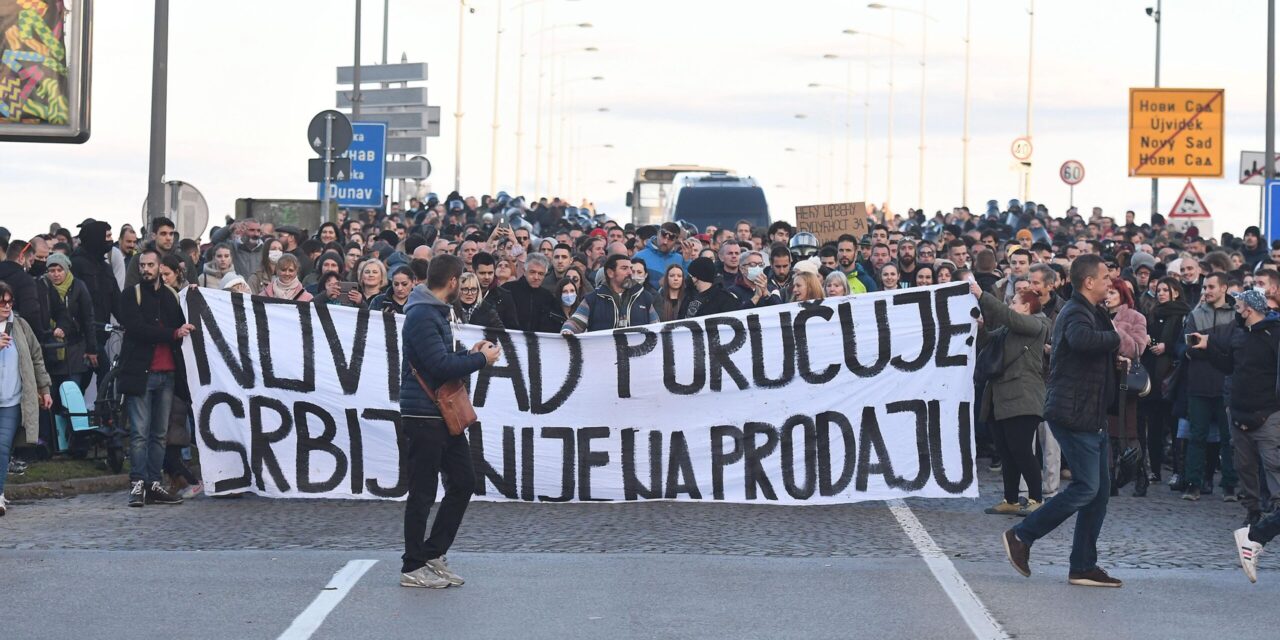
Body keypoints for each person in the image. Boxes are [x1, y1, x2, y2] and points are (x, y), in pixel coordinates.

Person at [1003, 254, 1125, 588]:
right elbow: (1082, 341)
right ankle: (1022, 535)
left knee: (1098, 495)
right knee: (1086, 487)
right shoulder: (1075, 312)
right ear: (1088, 282)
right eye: (1105, 278)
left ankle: (1083, 566)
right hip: (1074, 414)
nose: (1110, 283)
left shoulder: (1095, 312)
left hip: (1091, 413)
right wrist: (1118, 338)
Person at [398, 254, 501, 589]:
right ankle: (413, 565)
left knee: (463, 481)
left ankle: (433, 553)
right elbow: (439, 368)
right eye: (463, 281)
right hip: (424, 415)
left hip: (442, 415)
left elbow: (439, 360)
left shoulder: (435, 313)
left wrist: (469, 354)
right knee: (423, 492)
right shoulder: (423, 315)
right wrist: (479, 359)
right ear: (453, 281)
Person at [1189, 289, 1280, 532]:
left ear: (1249, 310)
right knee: (1244, 466)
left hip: (1268, 411)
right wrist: (1207, 349)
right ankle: (1252, 510)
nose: (1236, 312)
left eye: (1239, 308)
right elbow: (1228, 365)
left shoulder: (1275, 334)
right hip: (1239, 412)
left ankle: (1278, 512)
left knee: (1272, 464)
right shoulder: (1239, 335)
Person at [118, 249, 193, 507]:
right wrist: (172, 333)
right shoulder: (132, 295)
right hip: (141, 373)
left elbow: (184, 325)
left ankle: (153, 483)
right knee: (139, 432)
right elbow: (138, 329)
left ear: (160, 267)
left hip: (167, 373)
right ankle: (137, 483)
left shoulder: (172, 296)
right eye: (143, 265)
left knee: (160, 434)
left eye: (151, 264)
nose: (146, 269)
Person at [975, 282, 1052, 516]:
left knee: (1021, 450)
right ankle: (1010, 499)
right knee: (1007, 451)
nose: (1010, 305)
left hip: (1023, 398)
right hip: (1001, 399)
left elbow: (1007, 316)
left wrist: (982, 294)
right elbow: (988, 341)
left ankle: (1036, 499)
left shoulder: (1037, 324)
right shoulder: (1010, 329)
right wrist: (979, 328)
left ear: (1027, 306)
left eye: (1014, 302)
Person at [1179, 272, 1238, 500]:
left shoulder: (1235, 315)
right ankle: (1193, 483)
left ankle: (1229, 485)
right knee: (1197, 437)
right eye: (1205, 287)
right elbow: (1190, 347)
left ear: (1224, 288)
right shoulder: (1195, 314)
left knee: (1227, 438)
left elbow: (1234, 349)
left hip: (1226, 384)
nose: (1207, 291)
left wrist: (1208, 343)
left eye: (1211, 286)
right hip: (1199, 383)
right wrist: (1217, 347)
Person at [33, 253, 96, 455]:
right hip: (51, 351)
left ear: (66, 270)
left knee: (72, 395)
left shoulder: (78, 287)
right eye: (51, 270)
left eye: (59, 270)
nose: (56, 274)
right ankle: (57, 442)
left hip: (73, 350)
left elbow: (88, 319)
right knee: (53, 398)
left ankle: (77, 442)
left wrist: (91, 348)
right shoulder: (43, 288)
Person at [0, 282, 54, 516]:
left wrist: (44, 388)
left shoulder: (20, 325)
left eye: (9, 301)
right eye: (1, 302)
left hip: (12, 400)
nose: (6, 306)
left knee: (2, 448)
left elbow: (36, 357)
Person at [1140, 277, 1188, 484]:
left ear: (1175, 292)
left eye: (1165, 290)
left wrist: (1166, 347)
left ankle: (1178, 470)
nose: (1160, 294)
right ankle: (1155, 470)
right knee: (1154, 427)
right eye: (1158, 290)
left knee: (1175, 426)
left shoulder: (1183, 315)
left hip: (1172, 377)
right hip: (1152, 375)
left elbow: (1182, 343)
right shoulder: (1151, 314)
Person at [1104, 277, 1150, 496]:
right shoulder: (1096, 314)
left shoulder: (1134, 317)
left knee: (1128, 431)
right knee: (1106, 431)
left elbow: (1137, 349)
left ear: (1122, 295)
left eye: (1113, 293)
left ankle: (1139, 474)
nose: (1108, 296)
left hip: (1125, 381)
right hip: (1103, 379)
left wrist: (1114, 328)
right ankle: (1109, 478)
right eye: (1107, 292)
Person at [562, 254, 658, 333]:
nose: (630, 272)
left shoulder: (645, 297)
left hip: (637, 354)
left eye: (630, 268)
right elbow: (575, 322)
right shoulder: (593, 299)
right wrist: (567, 330)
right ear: (610, 273)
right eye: (624, 268)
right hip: (604, 355)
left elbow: (656, 328)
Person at [499, 253, 560, 332]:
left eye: (540, 274)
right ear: (524, 271)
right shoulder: (507, 290)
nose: (536, 277)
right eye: (532, 272)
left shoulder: (548, 297)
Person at [633, 222, 689, 290]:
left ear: (676, 240)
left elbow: (686, 286)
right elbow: (633, 286)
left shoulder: (680, 259)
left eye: (670, 239)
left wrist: (686, 261)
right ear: (658, 234)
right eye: (663, 236)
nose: (665, 242)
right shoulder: (640, 256)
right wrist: (658, 284)